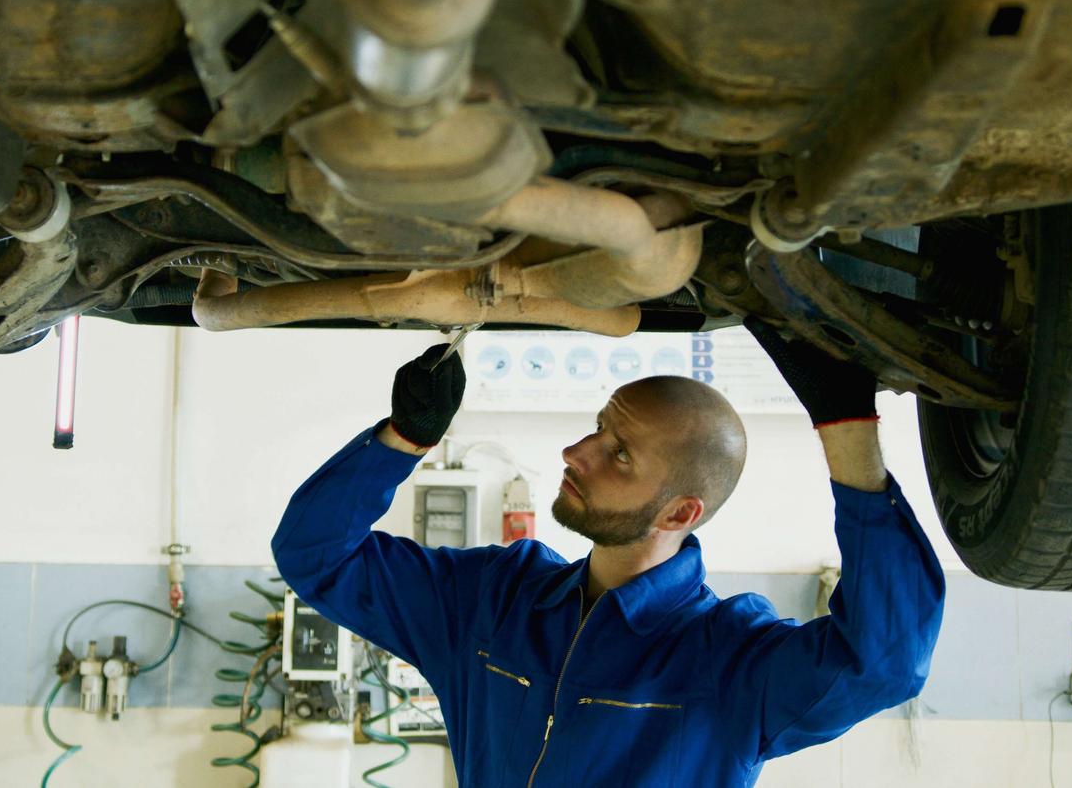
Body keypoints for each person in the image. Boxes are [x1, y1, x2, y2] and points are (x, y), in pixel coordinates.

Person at [272, 320, 945, 787]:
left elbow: (883, 662)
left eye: (617, 452)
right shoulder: (492, 600)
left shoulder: (729, 661)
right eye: (598, 429)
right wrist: (402, 437)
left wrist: (848, 435)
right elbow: (314, 554)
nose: (575, 452)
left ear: (680, 511)